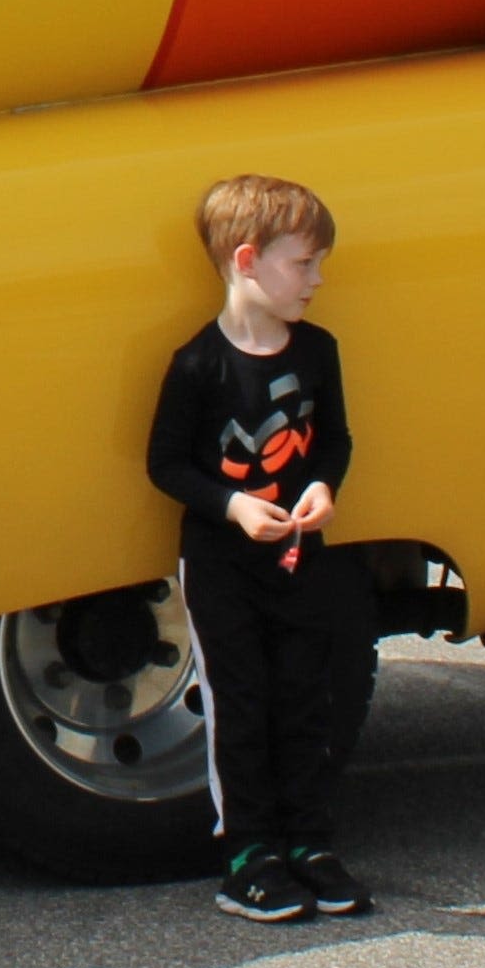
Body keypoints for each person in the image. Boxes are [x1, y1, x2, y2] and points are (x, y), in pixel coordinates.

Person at [147, 174, 375, 925]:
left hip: (302, 560)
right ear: (247, 261)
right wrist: (235, 505)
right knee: (240, 706)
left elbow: (333, 439)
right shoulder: (197, 364)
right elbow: (167, 464)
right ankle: (248, 856)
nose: (317, 280)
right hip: (221, 567)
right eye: (303, 264)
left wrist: (323, 490)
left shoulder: (318, 352)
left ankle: (310, 843)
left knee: (307, 698)